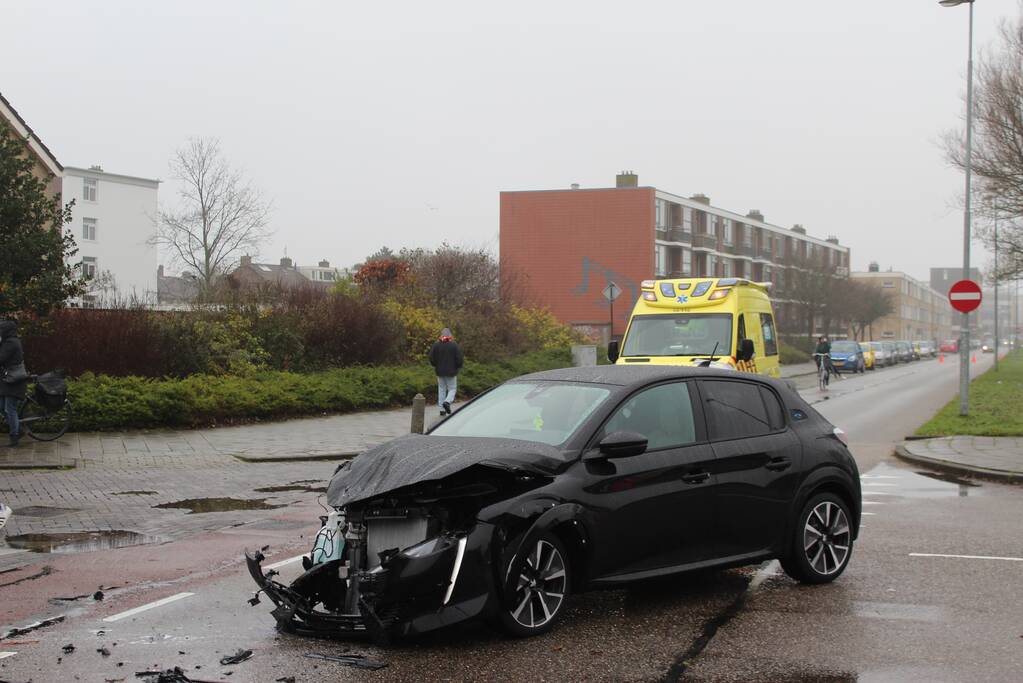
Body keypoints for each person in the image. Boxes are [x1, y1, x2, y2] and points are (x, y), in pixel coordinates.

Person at [0, 319, 28, 448]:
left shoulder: (11, 343)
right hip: (8, 379)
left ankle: (14, 437)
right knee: (1, 406)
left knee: (9, 408)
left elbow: (2, 358)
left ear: (6, 331)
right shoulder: (9, 341)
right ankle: (19, 428)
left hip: (15, 380)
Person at [428, 327, 464, 416]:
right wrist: (458, 367)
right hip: (451, 371)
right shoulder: (454, 345)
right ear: (450, 335)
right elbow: (459, 359)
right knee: (452, 388)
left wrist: (435, 365)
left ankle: (442, 409)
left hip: (439, 371)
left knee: (441, 389)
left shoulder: (436, 345)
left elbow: (431, 358)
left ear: (441, 335)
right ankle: (447, 402)